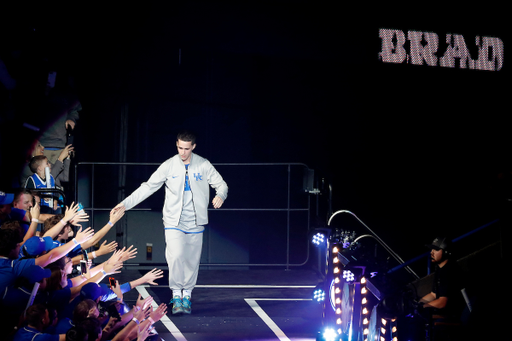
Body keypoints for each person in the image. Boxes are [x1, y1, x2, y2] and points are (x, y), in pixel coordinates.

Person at [111, 130, 228, 314]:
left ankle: (186, 295)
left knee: (191, 260)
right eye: (180, 148)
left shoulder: (203, 165)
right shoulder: (169, 165)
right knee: (176, 255)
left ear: (193, 147)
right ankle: (176, 293)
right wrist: (125, 204)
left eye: (186, 149)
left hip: (196, 221)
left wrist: (220, 195)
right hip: (174, 221)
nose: (183, 152)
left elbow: (222, 184)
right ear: (176, 145)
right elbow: (148, 187)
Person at [419, 237, 466, 340]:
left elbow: (442, 302)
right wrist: (419, 302)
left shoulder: (450, 270)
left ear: (445, 252)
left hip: (458, 316)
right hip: (449, 314)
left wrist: (423, 307)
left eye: (435, 249)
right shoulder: (439, 269)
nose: (431, 252)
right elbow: (434, 294)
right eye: (431, 249)